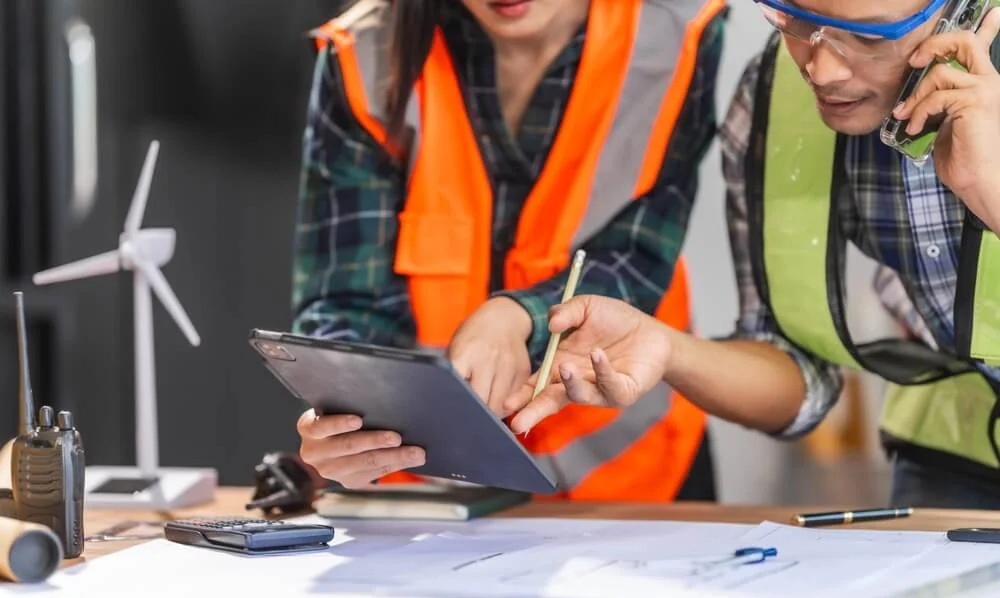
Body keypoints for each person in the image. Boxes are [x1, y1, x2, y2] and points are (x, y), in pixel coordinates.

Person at [509, 0, 1000, 510]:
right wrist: (669, 350)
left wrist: (990, 192)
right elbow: (792, 368)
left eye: (872, 39)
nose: (822, 70)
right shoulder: (772, 100)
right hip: (958, 452)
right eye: (798, 22)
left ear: (965, 11)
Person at [288, 0, 728, 500]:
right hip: (430, 491)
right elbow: (346, 299)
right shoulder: (363, 55)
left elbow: (636, 258)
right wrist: (344, 412)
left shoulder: (676, 35)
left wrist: (520, 318)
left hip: (631, 477)